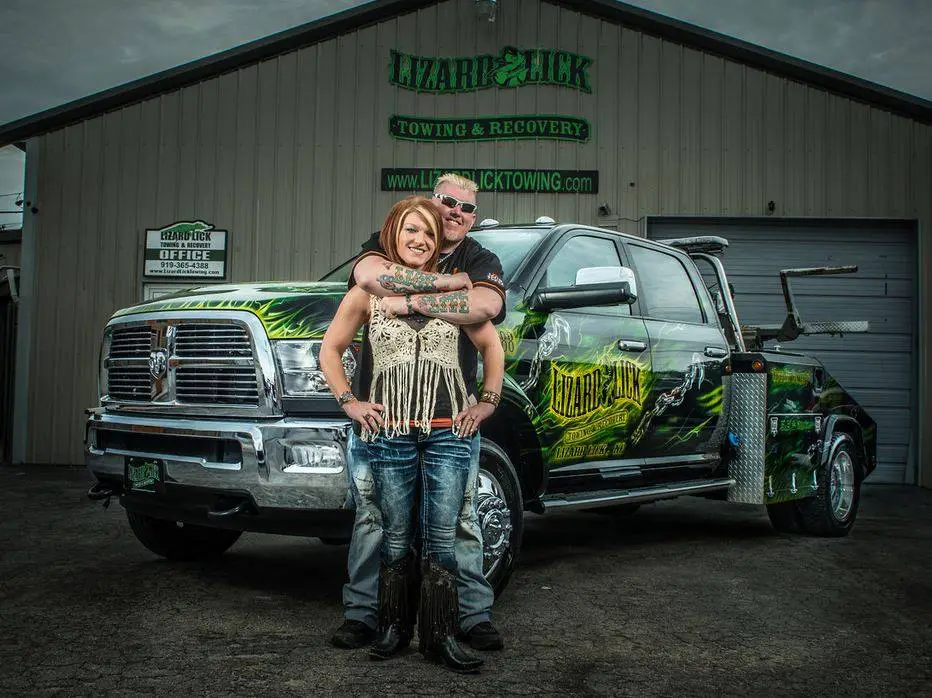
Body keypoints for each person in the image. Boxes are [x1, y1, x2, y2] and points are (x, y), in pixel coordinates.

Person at [320, 196, 504, 672]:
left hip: (447, 431)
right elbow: (330, 349)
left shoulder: (470, 276)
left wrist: (487, 402)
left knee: (448, 533)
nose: (420, 240)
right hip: (389, 432)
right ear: (392, 237)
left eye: (428, 233)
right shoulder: (370, 287)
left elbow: (490, 342)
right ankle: (390, 627)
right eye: (409, 232)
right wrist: (350, 402)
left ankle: (441, 634)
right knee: (387, 531)